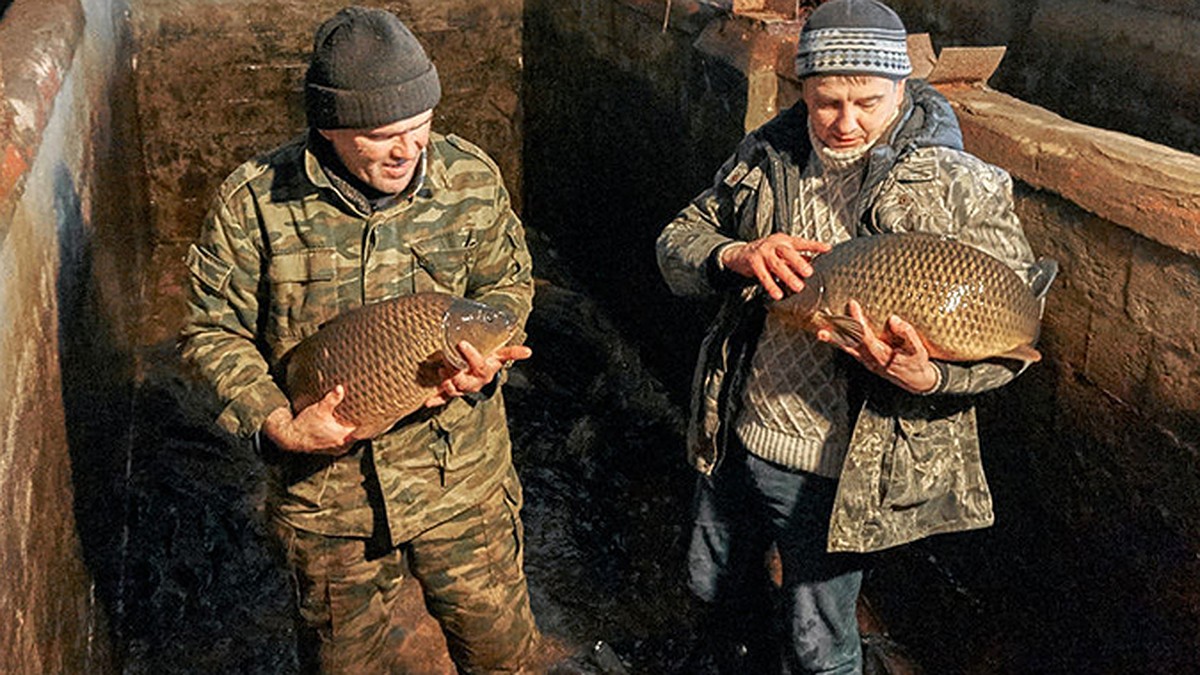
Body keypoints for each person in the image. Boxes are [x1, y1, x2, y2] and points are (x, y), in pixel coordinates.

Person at [656, 0, 1041, 672]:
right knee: (714, 591)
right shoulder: (765, 154)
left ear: (900, 87)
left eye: (867, 100)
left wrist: (934, 376)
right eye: (825, 100)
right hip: (733, 433)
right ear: (801, 86)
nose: (845, 122)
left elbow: (1008, 337)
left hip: (839, 469)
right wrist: (733, 257)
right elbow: (675, 244)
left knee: (819, 640)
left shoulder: (963, 187)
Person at [179, 6, 540, 673]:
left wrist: (484, 364)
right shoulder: (255, 203)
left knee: (505, 660)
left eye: (421, 128)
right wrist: (275, 422)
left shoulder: (470, 178)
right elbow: (211, 330)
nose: (409, 151)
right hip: (327, 504)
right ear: (328, 126)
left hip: (460, 484)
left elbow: (508, 286)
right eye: (382, 136)